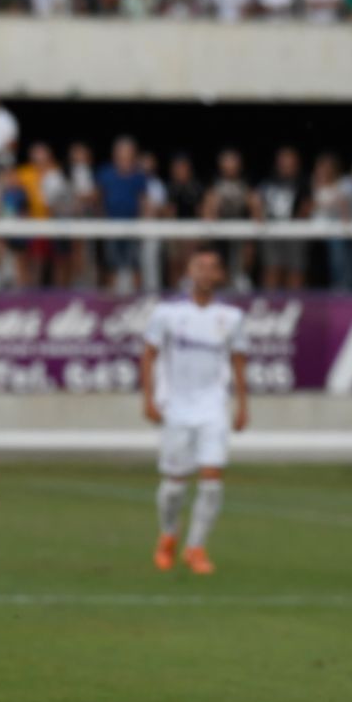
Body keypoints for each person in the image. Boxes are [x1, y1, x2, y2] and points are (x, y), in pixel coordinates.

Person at [140, 244, 249, 575]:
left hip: (213, 406)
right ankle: (169, 535)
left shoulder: (231, 318)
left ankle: (196, 547)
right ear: (189, 272)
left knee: (212, 478)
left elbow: (238, 361)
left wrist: (242, 405)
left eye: (211, 267)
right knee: (174, 484)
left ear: (219, 275)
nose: (205, 272)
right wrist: (148, 398)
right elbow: (149, 354)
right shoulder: (167, 314)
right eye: (199, 266)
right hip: (176, 406)